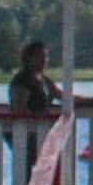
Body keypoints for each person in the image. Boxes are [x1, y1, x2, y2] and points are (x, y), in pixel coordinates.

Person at [8, 40, 63, 174]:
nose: (44, 60)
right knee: (29, 172)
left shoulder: (45, 81)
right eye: (40, 57)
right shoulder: (22, 80)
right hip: (28, 136)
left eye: (46, 57)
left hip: (43, 135)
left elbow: (66, 98)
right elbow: (19, 109)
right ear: (29, 58)